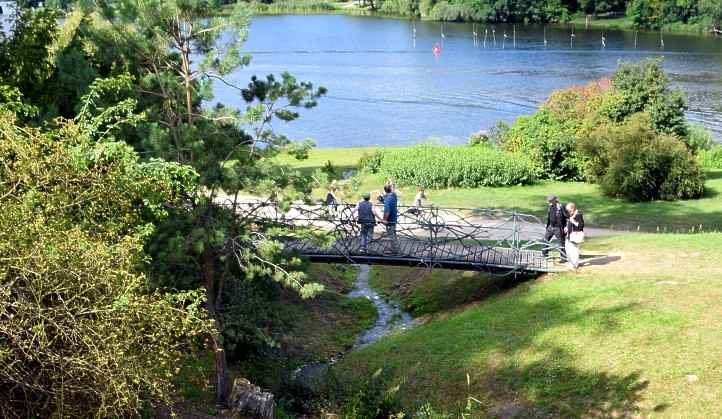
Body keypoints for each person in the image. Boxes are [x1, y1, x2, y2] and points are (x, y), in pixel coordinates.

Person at [542, 194, 568, 261]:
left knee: (561, 243)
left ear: (555, 200)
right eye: (548, 201)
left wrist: (566, 227)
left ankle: (563, 257)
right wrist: (547, 226)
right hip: (550, 227)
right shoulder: (550, 206)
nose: (549, 202)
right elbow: (549, 216)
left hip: (558, 228)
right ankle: (545, 255)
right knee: (545, 240)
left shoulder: (561, 207)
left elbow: (567, 217)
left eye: (550, 201)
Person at [565, 202, 584, 269]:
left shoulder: (578, 215)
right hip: (569, 235)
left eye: (569, 210)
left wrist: (573, 221)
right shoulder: (572, 214)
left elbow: (581, 226)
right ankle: (570, 262)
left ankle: (575, 265)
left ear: (572, 208)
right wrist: (567, 228)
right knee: (568, 249)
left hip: (575, 236)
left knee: (574, 250)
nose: (568, 212)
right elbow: (570, 223)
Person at [382, 183, 399, 251]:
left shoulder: (388, 199)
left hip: (390, 220)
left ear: (385, 190)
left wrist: (384, 220)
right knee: (393, 235)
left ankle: (394, 250)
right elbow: (393, 192)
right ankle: (395, 249)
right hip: (394, 219)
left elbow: (387, 211)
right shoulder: (394, 196)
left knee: (391, 235)